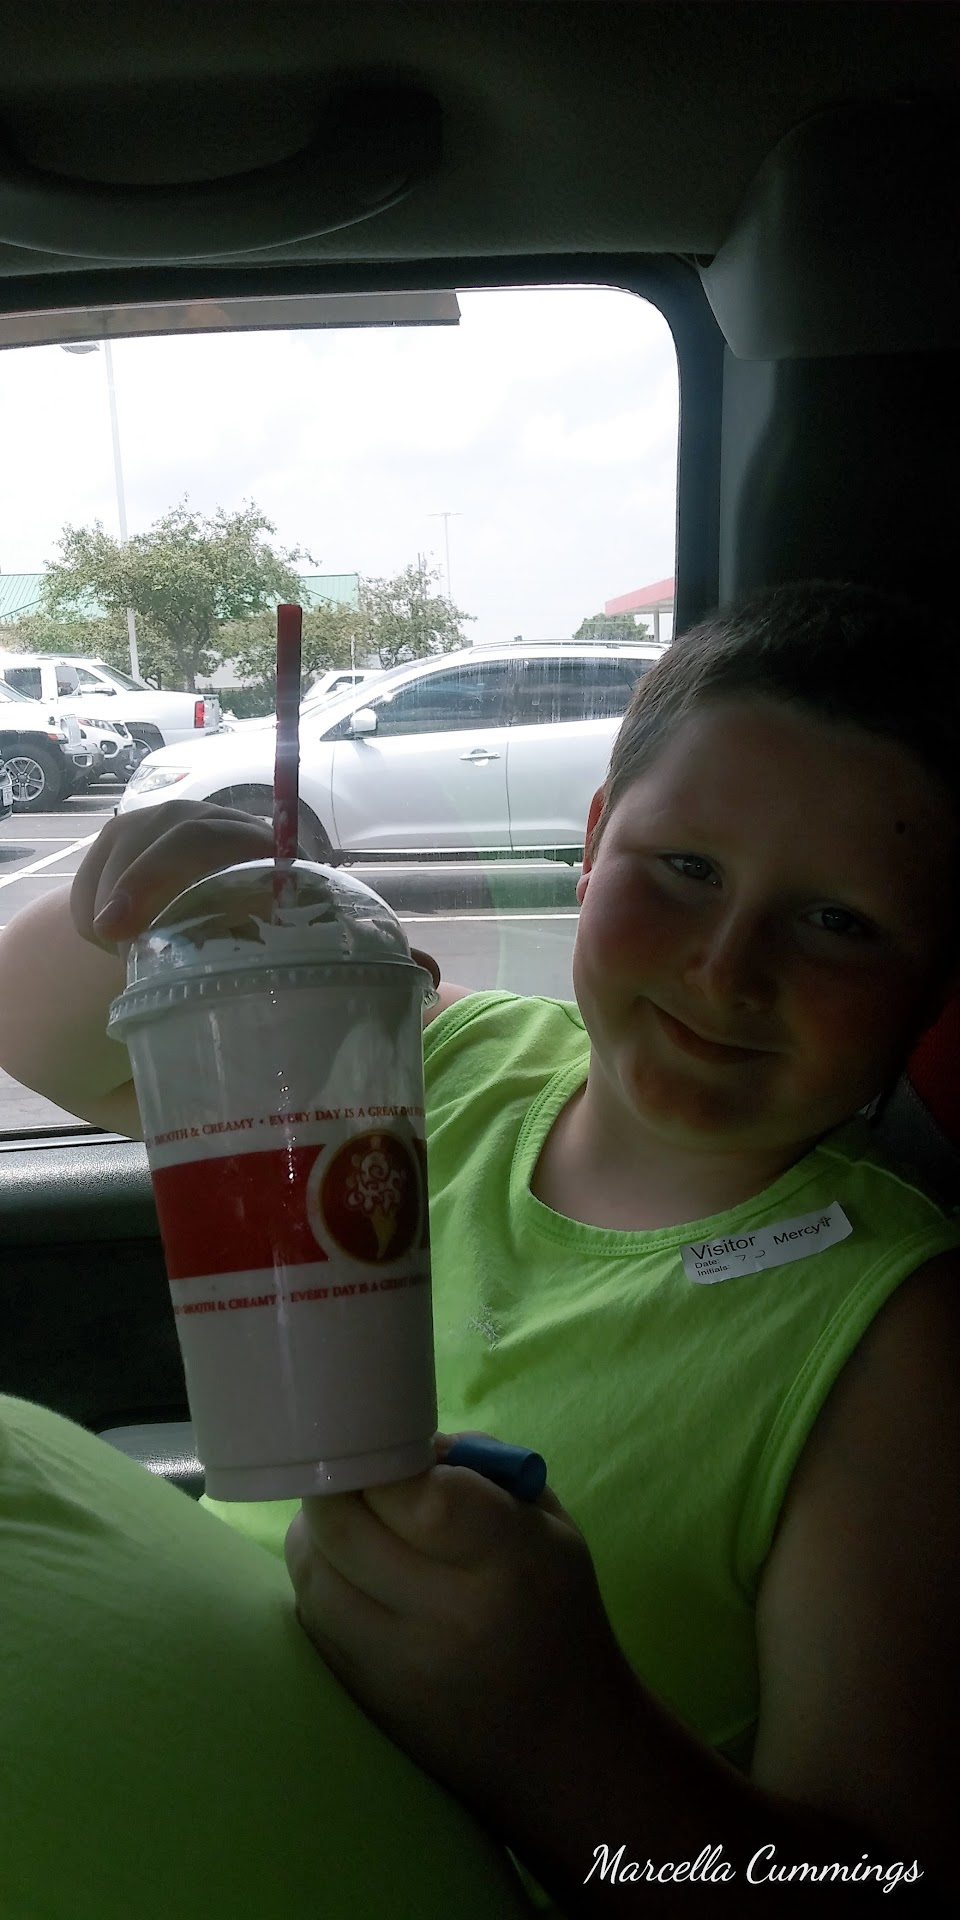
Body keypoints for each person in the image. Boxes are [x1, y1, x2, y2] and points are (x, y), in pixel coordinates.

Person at [0, 580, 957, 1910]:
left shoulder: (899, 1349)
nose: (727, 970)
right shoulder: (439, 1059)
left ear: (933, 978)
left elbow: (877, 1879)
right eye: (685, 871)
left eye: (838, 922)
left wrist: (557, 1731)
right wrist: (149, 886)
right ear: (593, 843)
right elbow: (35, 1028)